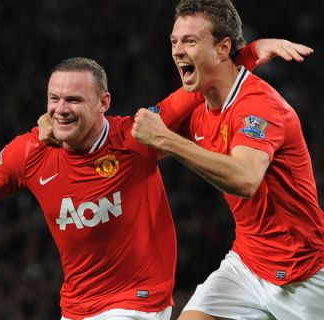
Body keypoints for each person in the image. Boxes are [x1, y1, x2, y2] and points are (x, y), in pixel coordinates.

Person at [0, 45, 310, 320]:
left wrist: (248, 52)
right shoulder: (30, 152)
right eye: (54, 99)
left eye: (74, 99)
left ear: (104, 102)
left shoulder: (136, 136)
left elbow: (203, 81)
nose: (60, 109)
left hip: (138, 304)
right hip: (77, 308)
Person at [131, 0, 324, 319]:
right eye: (174, 41)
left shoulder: (258, 106)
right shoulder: (198, 101)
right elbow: (142, 144)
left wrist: (168, 139)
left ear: (223, 48)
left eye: (190, 41)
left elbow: (245, 179)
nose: (178, 50)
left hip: (305, 275)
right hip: (247, 265)